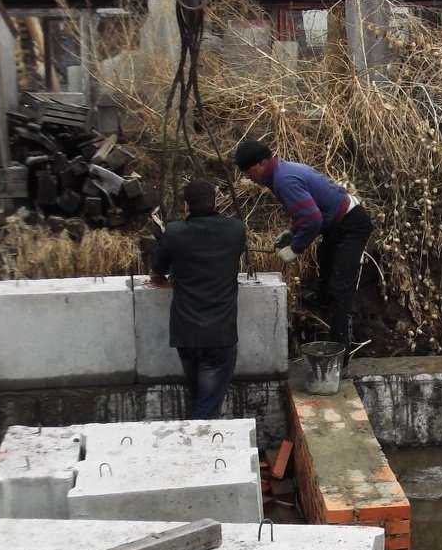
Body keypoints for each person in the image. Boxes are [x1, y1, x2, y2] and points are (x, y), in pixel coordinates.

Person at [233, 140, 373, 353]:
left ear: (261, 163)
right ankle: (322, 311)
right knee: (325, 267)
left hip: (352, 225)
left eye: (248, 170)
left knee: (340, 287)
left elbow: (313, 219)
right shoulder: (283, 171)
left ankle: (339, 356)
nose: (248, 176)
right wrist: (293, 232)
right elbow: (309, 210)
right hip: (338, 223)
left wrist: (296, 248)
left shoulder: (283, 179)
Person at [150, 179, 247, 419]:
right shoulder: (235, 230)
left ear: (186, 206)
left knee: (198, 398)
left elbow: (157, 272)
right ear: (215, 201)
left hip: (187, 334)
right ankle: (201, 449)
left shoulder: (174, 232)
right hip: (220, 334)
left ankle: (197, 446)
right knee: (207, 406)